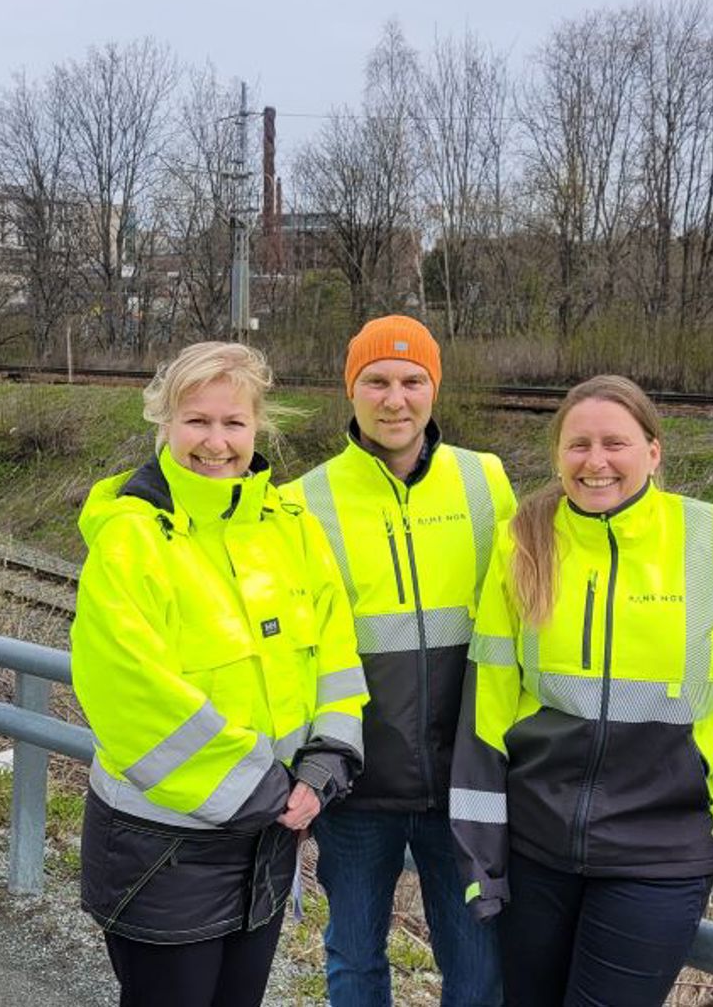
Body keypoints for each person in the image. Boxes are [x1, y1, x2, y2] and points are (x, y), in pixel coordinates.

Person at [450, 374, 713, 1007]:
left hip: (660, 852)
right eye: (578, 445)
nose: (596, 462)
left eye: (614, 443)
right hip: (536, 849)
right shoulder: (522, 542)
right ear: (558, 455)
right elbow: (488, 705)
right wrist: (481, 854)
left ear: (653, 451)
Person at [70, 341, 367, 1007]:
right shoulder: (132, 538)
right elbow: (126, 693)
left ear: (258, 426)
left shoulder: (292, 528)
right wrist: (270, 791)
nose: (216, 441)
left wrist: (325, 762)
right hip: (163, 850)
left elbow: (335, 658)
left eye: (233, 422)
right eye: (196, 420)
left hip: (268, 839)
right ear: (164, 423)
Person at [282, 315, 516, 1007]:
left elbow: (521, 617)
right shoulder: (303, 500)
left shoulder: (484, 479)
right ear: (350, 391)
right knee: (355, 957)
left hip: (464, 782)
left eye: (413, 381)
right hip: (357, 784)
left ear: (434, 388)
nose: (395, 399)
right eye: (376, 381)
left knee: (476, 970)